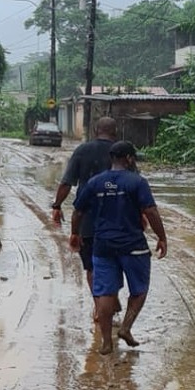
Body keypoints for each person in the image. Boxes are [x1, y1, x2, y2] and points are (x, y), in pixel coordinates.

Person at [70, 141, 167, 353]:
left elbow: (78, 211)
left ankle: (106, 341)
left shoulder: (95, 183)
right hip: (133, 246)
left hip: (103, 246)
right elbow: (150, 211)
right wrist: (162, 237)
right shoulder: (137, 182)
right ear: (129, 159)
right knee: (139, 290)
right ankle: (125, 327)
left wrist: (75, 233)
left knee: (105, 293)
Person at [51, 116, 119, 291]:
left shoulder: (82, 150)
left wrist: (57, 205)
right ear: (115, 132)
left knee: (91, 266)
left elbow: (67, 183)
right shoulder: (122, 152)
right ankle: (111, 296)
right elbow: (135, 184)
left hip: (87, 219)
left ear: (95, 131)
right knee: (114, 262)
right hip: (119, 220)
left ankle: (99, 303)